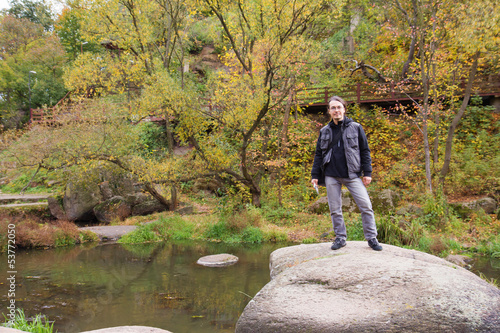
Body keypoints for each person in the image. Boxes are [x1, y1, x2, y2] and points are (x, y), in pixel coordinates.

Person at [311, 96, 382, 251]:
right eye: (333, 108)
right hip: (331, 175)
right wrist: (315, 175)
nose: (336, 110)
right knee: (335, 209)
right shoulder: (324, 131)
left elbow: (365, 150)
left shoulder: (356, 127)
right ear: (329, 111)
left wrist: (367, 172)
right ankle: (340, 238)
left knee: (366, 205)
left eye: (339, 107)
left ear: (344, 109)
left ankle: (371, 238)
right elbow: (318, 155)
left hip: (353, 174)